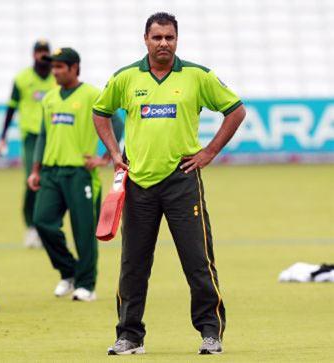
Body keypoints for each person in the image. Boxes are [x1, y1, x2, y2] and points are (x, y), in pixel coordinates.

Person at [92, 12, 246, 355]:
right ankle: (129, 336)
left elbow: (235, 110)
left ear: (177, 40)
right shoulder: (125, 78)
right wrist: (114, 152)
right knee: (133, 264)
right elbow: (100, 112)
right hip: (139, 184)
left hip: (182, 180)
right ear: (145, 39)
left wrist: (208, 152)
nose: (163, 43)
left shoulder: (197, 76)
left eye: (170, 38)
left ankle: (211, 332)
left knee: (198, 260)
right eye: (157, 37)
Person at [28, 48, 123, 302]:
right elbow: (43, 135)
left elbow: (118, 123)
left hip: (80, 173)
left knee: (84, 231)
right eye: (54, 67)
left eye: (60, 67)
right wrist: (35, 170)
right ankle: (68, 271)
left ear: (74, 68)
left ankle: (86, 285)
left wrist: (104, 157)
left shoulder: (92, 94)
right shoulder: (49, 98)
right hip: (51, 173)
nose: (55, 71)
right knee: (42, 221)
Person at [0, 40, 57, 248]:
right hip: (32, 137)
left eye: (45, 52)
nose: (42, 56)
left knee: (52, 183)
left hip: (54, 135)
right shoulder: (22, 79)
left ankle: (47, 227)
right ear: (33, 55)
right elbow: (11, 108)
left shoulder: (57, 77)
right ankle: (31, 226)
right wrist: (3, 137)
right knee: (32, 181)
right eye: (39, 52)